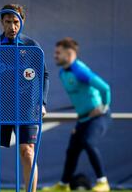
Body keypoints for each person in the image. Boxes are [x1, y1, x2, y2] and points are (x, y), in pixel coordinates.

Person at [0, 4, 49, 192]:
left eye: (16, 22)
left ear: (22, 22)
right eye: (8, 22)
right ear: (1, 22)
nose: (12, 26)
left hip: (26, 107)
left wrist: (41, 103)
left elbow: (44, 75)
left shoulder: (32, 46)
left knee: (27, 152)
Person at [44, 37, 111, 192]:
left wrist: (103, 107)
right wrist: (81, 120)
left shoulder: (80, 71)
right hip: (84, 119)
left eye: (58, 53)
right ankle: (63, 185)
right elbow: (80, 96)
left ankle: (103, 182)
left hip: (99, 117)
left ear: (69, 54)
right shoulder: (62, 73)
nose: (55, 55)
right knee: (72, 150)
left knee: (88, 142)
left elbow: (105, 88)